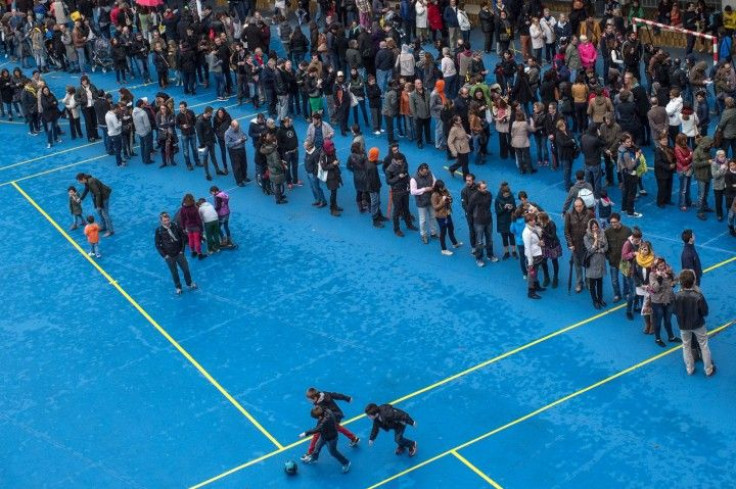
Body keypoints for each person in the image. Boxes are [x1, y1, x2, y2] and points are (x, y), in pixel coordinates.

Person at [673, 269, 716, 376]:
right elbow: (705, 312)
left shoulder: (677, 295)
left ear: (681, 283)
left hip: (683, 325)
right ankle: (708, 369)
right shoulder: (698, 296)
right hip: (698, 324)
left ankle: (690, 368)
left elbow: (674, 310)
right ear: (693, 282)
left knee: (686, 346)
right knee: (704, 345)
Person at [301, 388, 360, 463]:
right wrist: (347, 398)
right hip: (336, 414)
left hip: (332, 417)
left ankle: (310, 452)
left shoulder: (320, 405)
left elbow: (322, 421)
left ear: (315, 398)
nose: (309, 401)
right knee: (337, 428)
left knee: (317, 433)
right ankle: (354, 438)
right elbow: (335, 395)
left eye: (309, 399)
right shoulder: (323, 394)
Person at [298, 406, 351, 473]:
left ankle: (346, 463)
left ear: (320, 416)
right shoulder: (326, 410)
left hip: (331, 439)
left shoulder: (325, 421)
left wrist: (305, 433)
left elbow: (317, 429)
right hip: (324, 435)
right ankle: (314, 458)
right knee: (317, 447)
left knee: (333, 452)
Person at [155, 211, 197, 295]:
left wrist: (182, 250)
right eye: (164, 221)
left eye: (167, 220)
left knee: (186, 270)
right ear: (161, 221)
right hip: (169, 256)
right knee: (174, 273)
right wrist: (165, 255)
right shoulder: (159, 230)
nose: (167, 222)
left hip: (179, 253)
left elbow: (182, 237)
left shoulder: (176, 225)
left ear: (169, 219)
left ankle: (189, 283)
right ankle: (178, 287)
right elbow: (157, 244)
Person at [649, 257, 681, 347]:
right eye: (660, 265)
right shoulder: (652, 275)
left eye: (663, 264)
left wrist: (674, 283)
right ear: (656, 266)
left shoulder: (669, 271)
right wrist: (659, 278)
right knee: (658, 321)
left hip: (669, 299)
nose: (663, 267)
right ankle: (658, 338)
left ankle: (671, 337)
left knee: (668, 320)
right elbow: (654, 288)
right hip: (657, 301)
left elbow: (675, 279)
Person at [564, 197, 594, 293]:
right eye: (576, 206)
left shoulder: (589, 213)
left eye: (580, 206)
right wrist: (570, 244)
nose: (578, 208)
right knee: (577, 265)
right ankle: (579, 283)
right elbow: (566, 230)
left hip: (587, 244)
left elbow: (594, 228)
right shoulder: (569, 214)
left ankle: (588, 281)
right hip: (575, 245)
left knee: (588, 264)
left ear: (583, 205)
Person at [468, 180, 499, 267]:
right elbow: (469, 209)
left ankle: (490, 255)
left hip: (488, 220)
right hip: (478, 222)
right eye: (484, 188)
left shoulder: (489, 194)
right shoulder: (474, 197)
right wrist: (471, 221)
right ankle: (479, 258)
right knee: (480, 242)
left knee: (490, 239)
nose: (486, 189)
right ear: (478, 188)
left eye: (486, 187)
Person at [431, 179, 463, 255]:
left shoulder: (445, 191)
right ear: (438, 188)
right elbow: (435, 207)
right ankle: (443, 249)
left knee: (451, 228)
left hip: (447, 213)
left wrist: (449, 199)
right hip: (441, 216)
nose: (444, 188)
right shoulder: (434, 195)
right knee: (443, 232)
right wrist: (442, 201)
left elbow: (449, 199)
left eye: (444, 186)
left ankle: (455, 243)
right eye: (442, 187)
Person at [410, 163, 438, 244]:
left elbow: (435, 181)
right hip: (421, 202)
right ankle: (423, 235)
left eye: (427, 172)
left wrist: (433, 185)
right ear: (420, 171)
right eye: (425, 173)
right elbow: (413, 191)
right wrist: (425, 189)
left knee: (433, 217)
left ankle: (433, 233)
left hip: (430, 200)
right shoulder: (413, 179)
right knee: (423, 220)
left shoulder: (429, 173)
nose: (426, 174)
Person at [583, 219, 608, 309]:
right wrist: (596, 240)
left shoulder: (602, 234)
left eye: (596, 227)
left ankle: (600, 299)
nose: (595, 229)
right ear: (590, 228)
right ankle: (595, 300)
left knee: (600, 282)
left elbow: (606, 246)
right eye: (593, 227)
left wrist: (600, 250)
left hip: (600, 260)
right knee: (592, 284)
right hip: (592, 262)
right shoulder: (586, 237)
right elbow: (590, 250)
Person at [196, 106, 225, 181]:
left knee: (213, 156)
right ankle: (207, 174)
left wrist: (213, 139)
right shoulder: (199, 121)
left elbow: (210, 129)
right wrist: (203, 144)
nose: (212, 114)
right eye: (211, 112)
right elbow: (199, 134)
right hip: (205, 143)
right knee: (205, 159)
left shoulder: (208, 118)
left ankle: (217, 170)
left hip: (211, 141)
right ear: (208, 112)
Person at [320, 139, 343, 216]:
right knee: (333, 193)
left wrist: (336, 162)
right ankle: (332, 209)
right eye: (330, 147)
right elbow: (324, 167)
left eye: (332, 146)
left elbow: (334, 159)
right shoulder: (323, 155)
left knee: (335, 192)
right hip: (330, 177)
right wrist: (333, 164)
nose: (332, 148)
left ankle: (335, 206)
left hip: (334, 174)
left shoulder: (332, 152)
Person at [179, 193, 206, 260]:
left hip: (188, 227)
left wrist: (183, 227)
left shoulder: (182, 209)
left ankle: (193, 252)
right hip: (196, 227)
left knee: (191, 240)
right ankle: (199, 254)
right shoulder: (195, 208)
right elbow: (198, 220)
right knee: (197, 241)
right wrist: (201, 229)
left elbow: (182, 219)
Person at [495, 182, 517, 260]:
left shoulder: (511, 197)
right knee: (504, 238)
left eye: (508, 194)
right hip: (502, 222)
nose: (507, 196)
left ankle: (514, 251)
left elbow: (515, 208)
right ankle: (506, 252)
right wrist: (505, 208)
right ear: (502, 193)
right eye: (506, 195)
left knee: (512, 237)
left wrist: (512, 208)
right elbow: (497, 212)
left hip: (510, 220)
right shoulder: (498, 200)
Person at [224, 120, 250, 186]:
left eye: (238, 127)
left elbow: (245, 135)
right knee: (237, 166)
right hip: (234, 151)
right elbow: (228, 144)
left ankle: (244, 177)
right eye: (236, 127)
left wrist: (245, 138)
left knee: (244, 164)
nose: (238, 128)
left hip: (242, 149)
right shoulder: (227, 133)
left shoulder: (239, 129)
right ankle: (239, 181)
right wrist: (238, 142)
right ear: (232, 126)